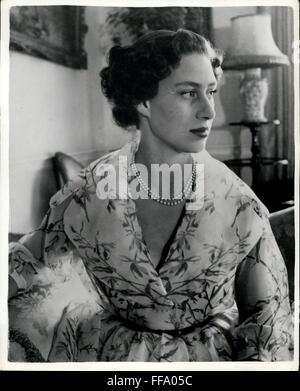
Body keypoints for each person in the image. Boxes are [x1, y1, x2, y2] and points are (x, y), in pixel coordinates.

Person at [8, 29, 293, 362]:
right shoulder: (90, 191)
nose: (208, 111)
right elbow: (26, 260)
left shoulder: (239, 204)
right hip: (107, 357)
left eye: (210, 92)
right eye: (189, 93)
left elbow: (267, 327)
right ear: (143, 101)